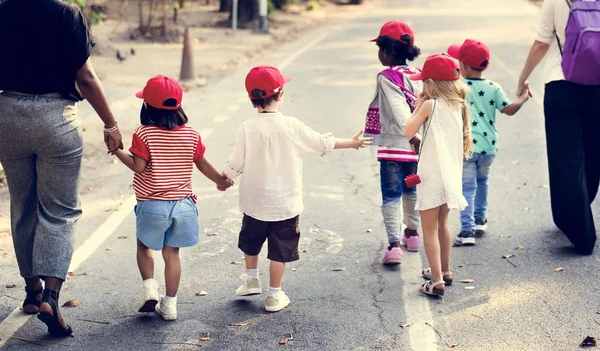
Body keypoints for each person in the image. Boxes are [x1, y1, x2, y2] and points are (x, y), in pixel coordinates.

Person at [0, 0, 122, 337]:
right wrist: (111, 124)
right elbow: (85, 77)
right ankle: (52, 294)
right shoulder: (66, 14)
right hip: (56, 120)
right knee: (60, 211)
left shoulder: (2, 13)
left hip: (7, 116)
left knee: (23, 207)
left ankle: (32, 291)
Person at [223, 65, 371, 312]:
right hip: (285, 203)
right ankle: (274, 294)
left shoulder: (246, 128)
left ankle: (251, 280)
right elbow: (322, 142)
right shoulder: (292, 126)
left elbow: (236, 163)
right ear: (280, 94)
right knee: (279, 249)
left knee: (251, 240)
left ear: (251, 98)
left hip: (254, 202)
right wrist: (352, 143)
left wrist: (223, 178)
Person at [113, 75, 233, 321]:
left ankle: (149, 289)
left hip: (152, 205)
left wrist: (116, 150)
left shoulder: (144, 134)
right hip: (184, 207)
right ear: (179, 106)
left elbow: (138, 167)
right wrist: (221, 181)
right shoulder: (191, 134)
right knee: (172, 254)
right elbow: (202, 165)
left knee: (144, 246)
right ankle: (170, 305)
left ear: (147, 106)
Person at [517, 0, 600, 255]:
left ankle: (580, 230)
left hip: (562, 83)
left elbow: (541, 42)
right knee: (593, 153)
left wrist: (523, 77)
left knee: (566, 159)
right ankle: (581, 207)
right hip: (598, 87)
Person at [448, 40, 530, 246]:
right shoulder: (493, 87)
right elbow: (509, 109)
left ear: (463, 66)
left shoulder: (458, 86)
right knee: (482, 182)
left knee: (466, 187)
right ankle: (479, 219)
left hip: (466, 147)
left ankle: (467, 231)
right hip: (489, 147)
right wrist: (523, 98)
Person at [404, 54, 471, 297]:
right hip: (451, 174)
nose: (422, 86)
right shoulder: (459, 105)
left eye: (424, 83)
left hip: (431, 175)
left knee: (429, 229)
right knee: (443, 224)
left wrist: (417, 104)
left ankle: (436, 280)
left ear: (431, 83)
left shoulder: (429, 105)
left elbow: (408, 130)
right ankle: (446, 269)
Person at [364, 21, 423, 264]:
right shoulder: (417, 74)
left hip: (394, 148)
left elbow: (399, 110)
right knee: (412, 190)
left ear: (387, 52)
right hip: (416, 149)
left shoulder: (386, 77)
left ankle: (393, 246)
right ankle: (413, 234)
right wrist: (418, 138)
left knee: (390, 195)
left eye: (379, 48)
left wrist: (410, 134)